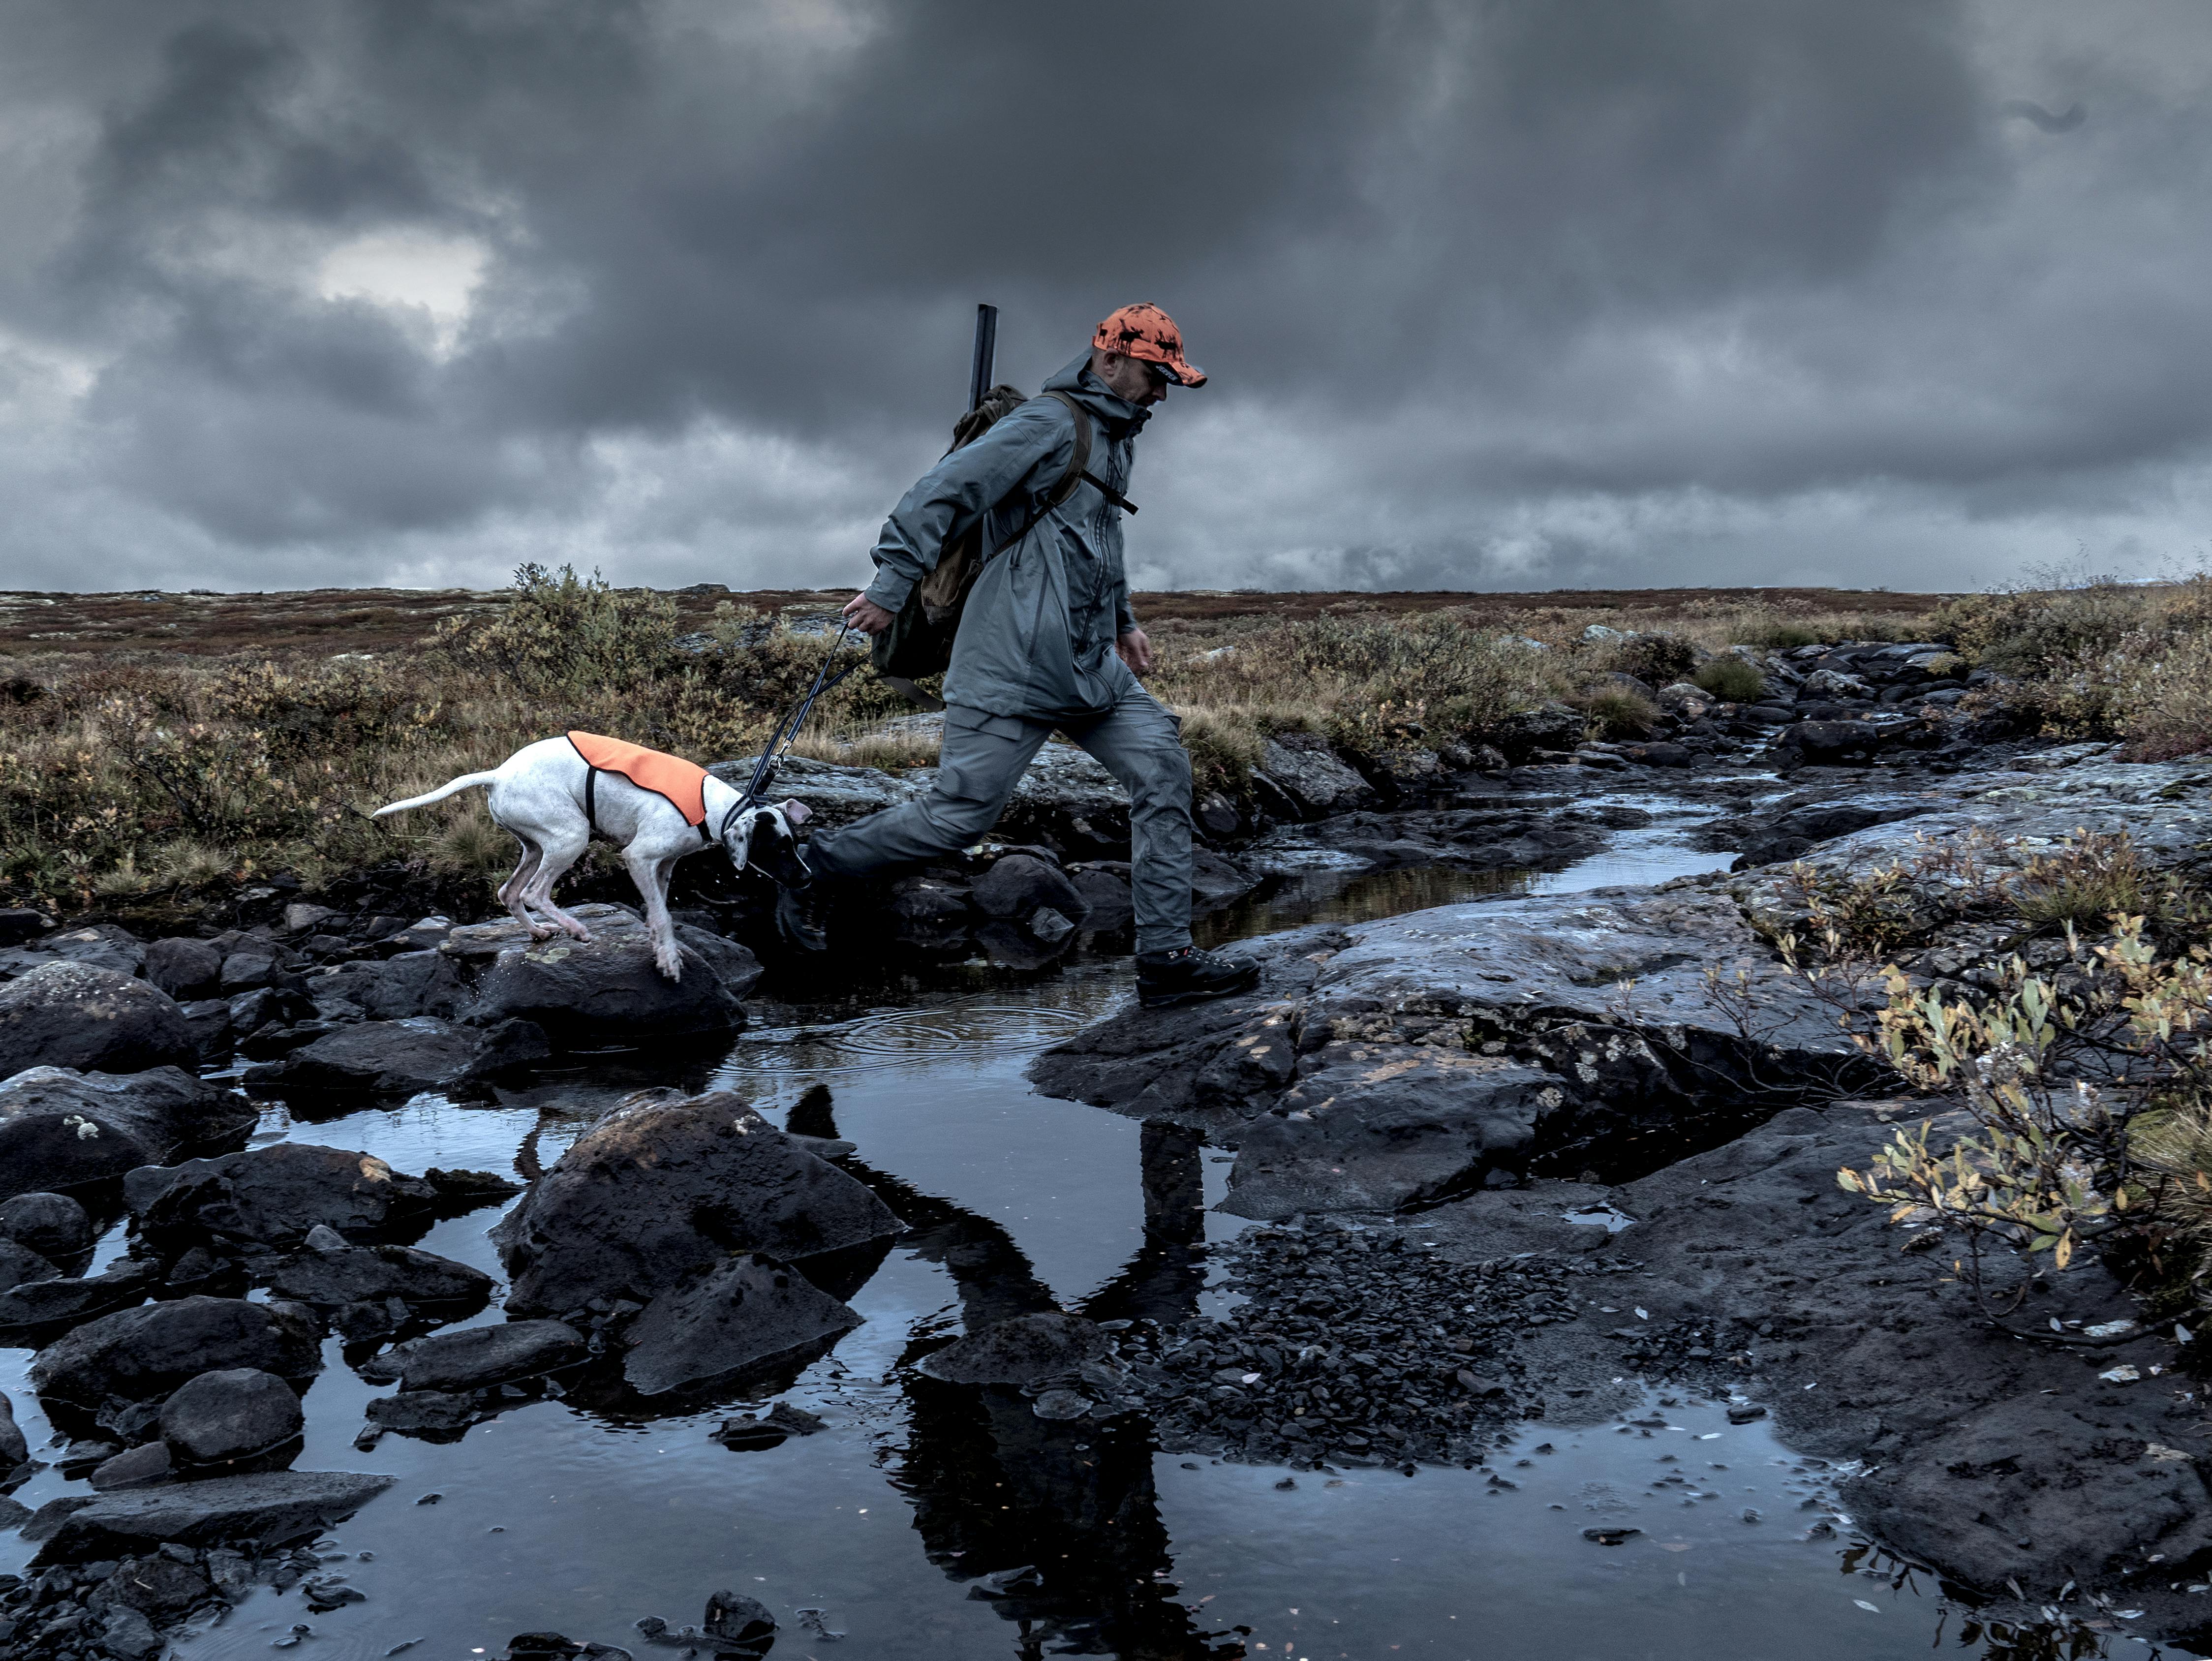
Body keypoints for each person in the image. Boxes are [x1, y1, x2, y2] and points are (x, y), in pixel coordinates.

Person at [801, 303, 1259, 1009]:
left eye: (1172, 380)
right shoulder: (1049, 425)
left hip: (1087, 667)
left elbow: (1098, 541)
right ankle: (815, 866)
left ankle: (1166, 959)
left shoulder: (1120, 436)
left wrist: (1123, 621)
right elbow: (939, 494)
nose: (1164, 394)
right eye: (1154, 375)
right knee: (958, 817)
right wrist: (891, 585)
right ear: (1109, 361)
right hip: (1010, 665)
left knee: (1163, 766)